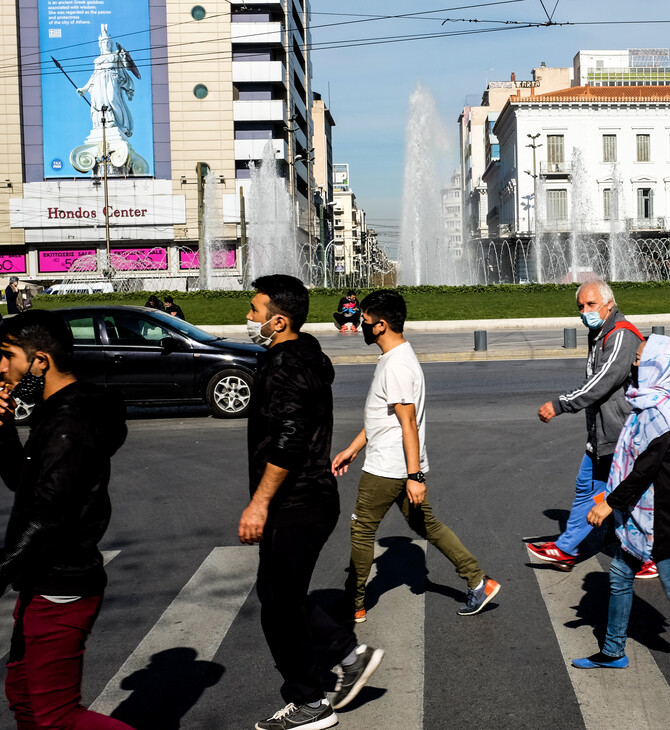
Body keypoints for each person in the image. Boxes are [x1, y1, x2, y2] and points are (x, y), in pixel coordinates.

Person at [239, 275, 384, 730]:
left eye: (254, 310)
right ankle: (348, 653)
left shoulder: (285, 365)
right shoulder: (303, 355)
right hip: (308, 499)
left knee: (278, 608)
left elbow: (288, 441)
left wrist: (260, 503)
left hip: (295, 501)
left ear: (278, 320)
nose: (248, 317)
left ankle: (309, 703)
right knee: (280, 596)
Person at [331, 289, 501, 621]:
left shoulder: (396, 364)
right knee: (428, 525)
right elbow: (386, 418)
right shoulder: (397, 358)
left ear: (380, 325)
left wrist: (414, 476)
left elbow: (408, 421)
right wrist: (353, 449)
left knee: (363, 530)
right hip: (398, 463)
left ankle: (354, 604)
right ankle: (479, 581)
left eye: (364, 320)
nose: (360, 325)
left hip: (390, 466)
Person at [0, 310, 133, 729]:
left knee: (56, 717)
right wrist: (3, 428)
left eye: (7, 356)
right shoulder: (56, 410)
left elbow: (46, 512)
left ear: (41, 361)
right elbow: (23, 482)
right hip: (41, 576)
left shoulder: (69, 421)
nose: (1, 367)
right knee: (22, 697)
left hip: (62, 582)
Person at [528, 280, 646, 573]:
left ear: (609, 304)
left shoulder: (620, 335)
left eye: (591, 305)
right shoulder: (600, 333)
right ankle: (567, 549)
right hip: (602, 433)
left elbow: (602, 382)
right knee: (588, 487)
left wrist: (560, 404)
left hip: (623, 433)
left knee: (632, 497)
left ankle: (650, 556)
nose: (585, 312)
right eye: (580, 306)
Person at [573, 334, 670, 669]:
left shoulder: (661, 413)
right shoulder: (645, 403)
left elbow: (643, 471)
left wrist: (609, 502)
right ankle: (613, 651)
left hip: (661, 521)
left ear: (660, 364)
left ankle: (613, 649)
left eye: (641, 357)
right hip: (639, 517)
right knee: (618, 575)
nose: (634, 362)